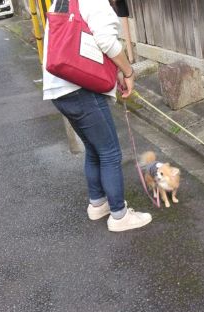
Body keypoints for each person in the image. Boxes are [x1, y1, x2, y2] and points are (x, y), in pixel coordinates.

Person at [42, 0, 151, 232]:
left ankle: (98, 203)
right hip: (81, 89)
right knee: (110, 153)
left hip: (59, 90)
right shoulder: (95, 1)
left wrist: (114, 74)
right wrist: (128, 71)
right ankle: (119, 216)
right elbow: (106, 42)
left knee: (94, 149)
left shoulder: (61, 2)